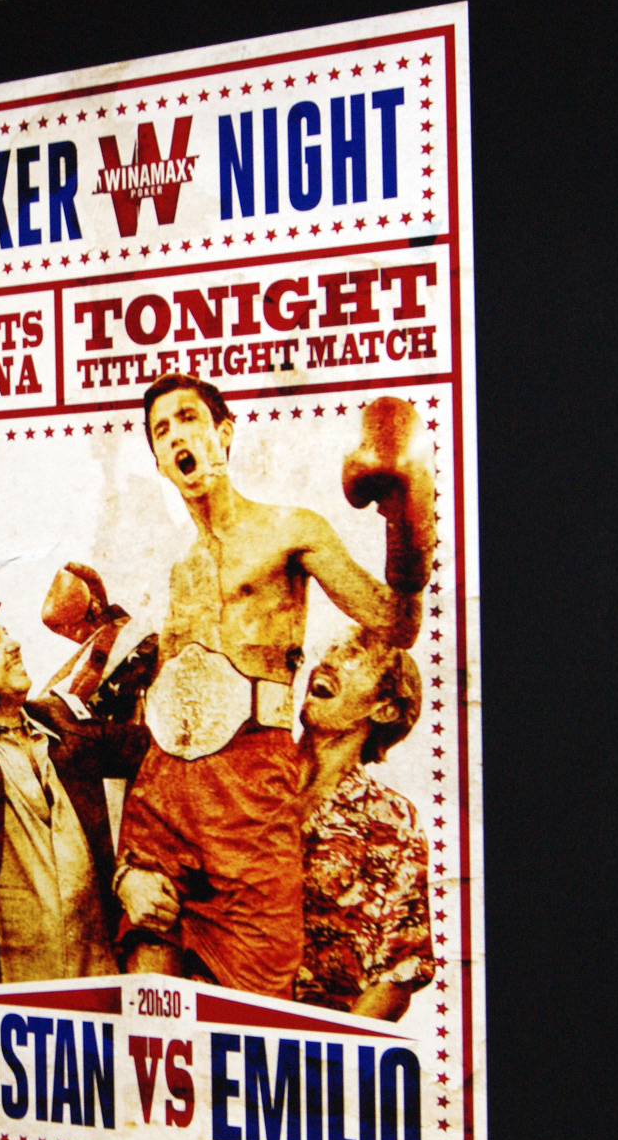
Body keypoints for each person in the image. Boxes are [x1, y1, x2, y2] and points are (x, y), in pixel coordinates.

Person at [112, 376, 434, 998]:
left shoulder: (292, 530)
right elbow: (162, 725)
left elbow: (396, 624)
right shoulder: (180, 570)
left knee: (257, 1002)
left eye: (189, 418)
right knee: (151, 1006)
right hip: (165, 798)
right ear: (158, 461)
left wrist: (408, 519)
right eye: (161, 430)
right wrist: (128, 866)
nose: (177, 436)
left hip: (250, 796)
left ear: (224, 434)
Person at [0, 516, 150, 989]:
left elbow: (152, 751)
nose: (15, 644)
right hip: (7, 995)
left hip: (97, 977)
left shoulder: (62, 721)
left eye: (7, 633)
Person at [293, 629, 434, 1020]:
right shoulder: (245, 776)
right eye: (331, 649)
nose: (328, 660)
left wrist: (331, 1053)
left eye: (352, 657)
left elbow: (397, 975)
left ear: (385, 709)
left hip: (309, 1039)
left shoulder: (393, 823)